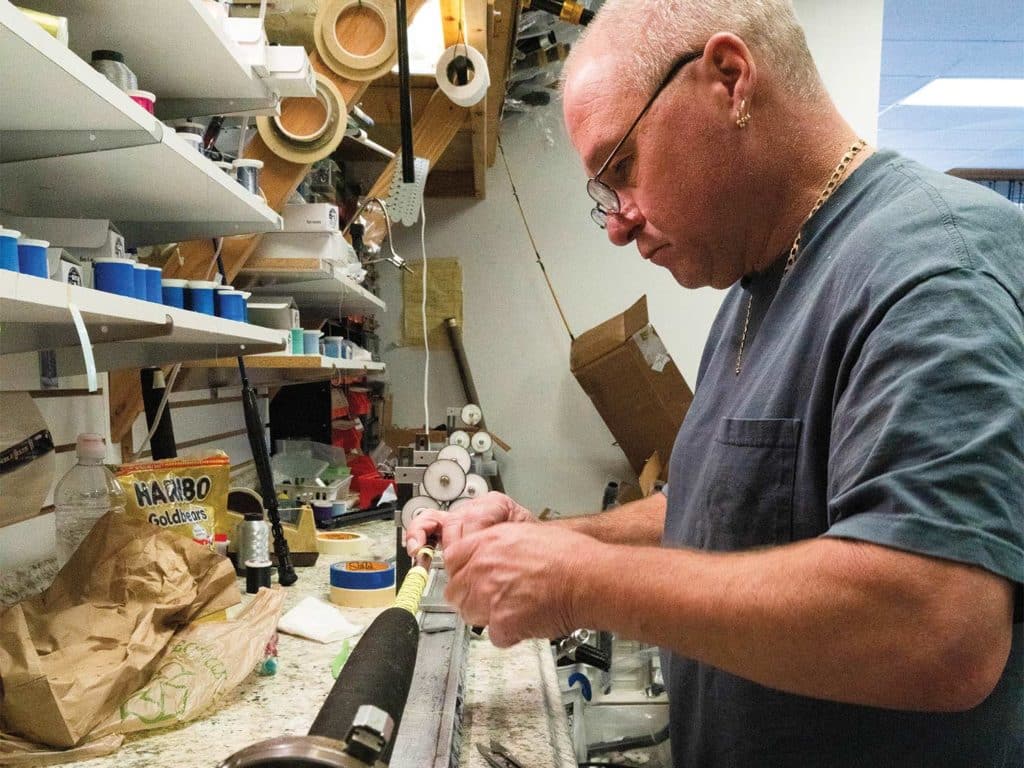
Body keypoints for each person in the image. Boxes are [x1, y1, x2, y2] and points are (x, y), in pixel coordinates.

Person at [406, 1, 1024, 764]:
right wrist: (541, 539)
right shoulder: (755, 280)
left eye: (621, 168)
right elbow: (716, 504)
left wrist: (578, 582)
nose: (617, 224)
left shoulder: (931, 271)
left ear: (729, 80)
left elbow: (940, 626)